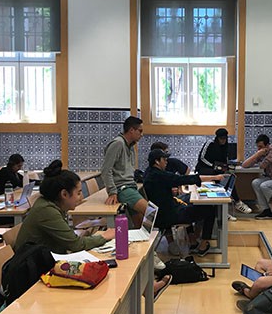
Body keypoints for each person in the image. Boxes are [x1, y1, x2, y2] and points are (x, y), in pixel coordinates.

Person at [15, 160, 172, 300]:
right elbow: (75, 244)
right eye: (78, 192)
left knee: (109, 260)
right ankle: (143, 293)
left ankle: (146, 291)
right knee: (106, 265)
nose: (81, 197)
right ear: (64, 194)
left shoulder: (52, 205)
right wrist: (104, 236)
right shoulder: (47, 211)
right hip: (36, 271)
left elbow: (70, 241)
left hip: (49, 260)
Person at [144, 149, 224, 256]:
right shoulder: (160, 175)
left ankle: (193, 240)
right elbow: (185, 179)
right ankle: (203, 245)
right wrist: (215, 177)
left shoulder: (148, 173)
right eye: (164, 159)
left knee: (189, 201)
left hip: (161, 212)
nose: (166, 161)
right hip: (168, 215)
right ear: (157, 161)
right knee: (210, 209)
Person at [101, 116, 148, 226]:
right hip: (123, 188)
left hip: (130, 186)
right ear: (131, 130)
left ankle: (140, 241)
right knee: (151, 212)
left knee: (140, 223)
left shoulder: (130, 146)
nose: (142, 134)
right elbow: (105, 170)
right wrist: (112, 191)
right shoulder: (118, 143)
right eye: (140, 131)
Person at [195, 128, 252, 217]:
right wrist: (213, 166)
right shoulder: (209, 143)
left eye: (224, 139)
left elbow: (224, 160)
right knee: (222, 177)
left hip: (216, 170)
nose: (223, 141)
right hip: (204, 168)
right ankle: (236, 203)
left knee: (227, 177)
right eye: (221, 139)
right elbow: (201, 158)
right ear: (217, 138)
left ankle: (225, 209)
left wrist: (226, 167)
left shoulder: (225, 146)